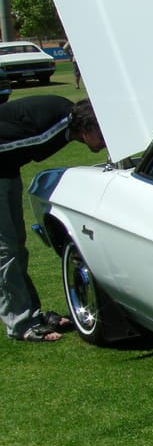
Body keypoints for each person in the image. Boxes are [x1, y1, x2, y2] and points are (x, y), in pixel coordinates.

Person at [1, 96, 104, 342]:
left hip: (6, 171)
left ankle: (31, 314)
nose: (104, 142)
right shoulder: (53, 125)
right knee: (5, 251)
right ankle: (21, 324)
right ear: (86, 127)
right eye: (100, 134)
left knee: (17, 248)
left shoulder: (67, 121)